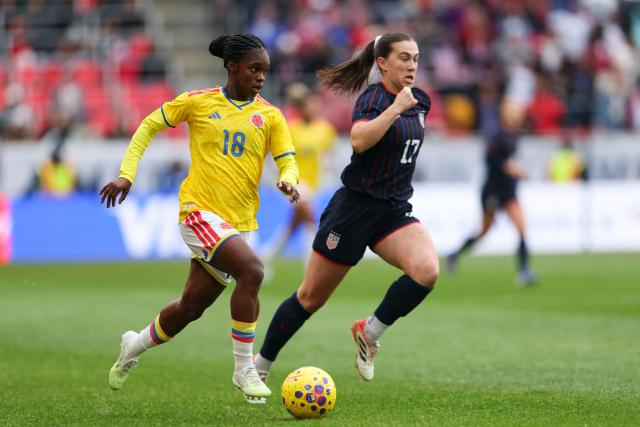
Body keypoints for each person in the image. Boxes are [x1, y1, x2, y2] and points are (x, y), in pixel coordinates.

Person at [99, 33, 300, 404]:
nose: (260, 77)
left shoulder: (270, 115)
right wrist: (128, 172)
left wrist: (288, 180)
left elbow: (287, 159)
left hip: (240, 224)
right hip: (198, 214)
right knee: (252, 272)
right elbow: (148, 126)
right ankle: (244, 369)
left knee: (190, 308)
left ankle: (134, 345)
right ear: (232, 66)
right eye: (254, 69)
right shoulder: (197, 103)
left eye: (265, 71)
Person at [253, 32, 438, 387]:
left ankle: (370, 332)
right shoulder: (373, 98)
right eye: (403, 57)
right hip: (354, 210)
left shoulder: (422, 101)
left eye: (415, 58)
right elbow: (359, 139)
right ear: (382, 63)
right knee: (310, 297)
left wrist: (406, 106)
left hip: (394, 210)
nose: (412, 65)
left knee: (426, 271)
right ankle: (260, 364)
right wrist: (395, 108)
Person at [447, 98, 536, 286]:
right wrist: (511, 168)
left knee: (521, 227)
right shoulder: (498, 135)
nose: (518, 114)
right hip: (494, 190)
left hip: (508, 190)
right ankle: (454, 255)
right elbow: (491, 160)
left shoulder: (513, 134)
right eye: (514, 111)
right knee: (483, 232)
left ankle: (524, 271)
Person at [263, 84, 337, 264]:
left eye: (316, 104)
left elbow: (329, 154)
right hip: (293, 181)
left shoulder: (325, 129)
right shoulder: (291, 128)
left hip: (313, 183)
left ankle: (266, 257)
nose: (313, 108)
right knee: (309, 215)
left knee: (294, 224)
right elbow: (275, 152)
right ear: (302, 107)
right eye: (309, 104)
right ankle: (312, 261)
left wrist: (329, 170)